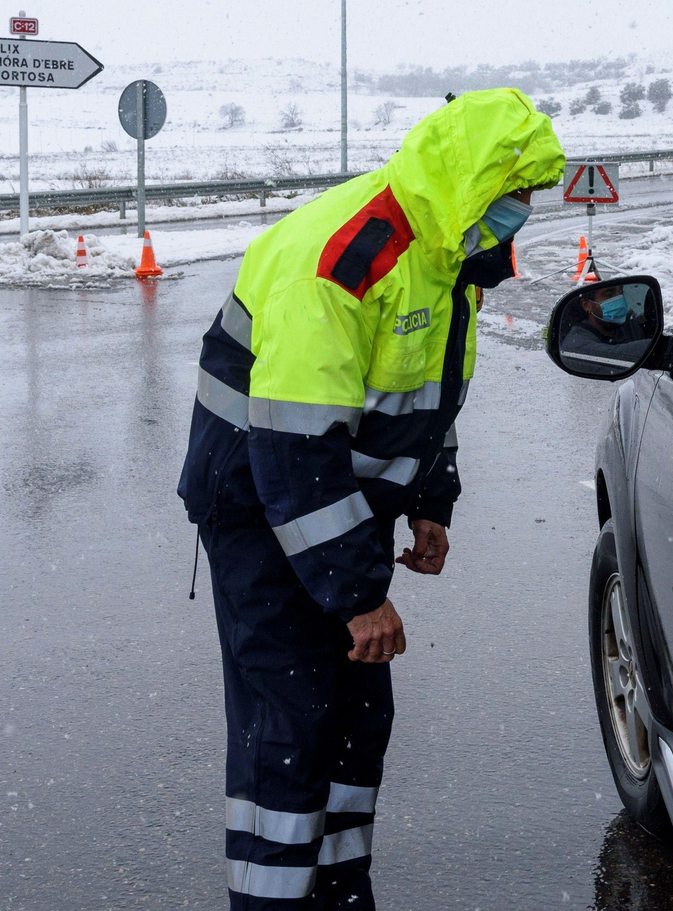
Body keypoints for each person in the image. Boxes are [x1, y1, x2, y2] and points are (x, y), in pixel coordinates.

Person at [177, 88, 564, 909]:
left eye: (531, 197)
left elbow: (426, 398)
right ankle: (273, 900)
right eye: (515, 194)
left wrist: (432, 501)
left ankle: (339, 894)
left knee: (353, 719)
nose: (522, 214)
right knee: (291, 728)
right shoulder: (351, 257)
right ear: (471, 180)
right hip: (263, 503)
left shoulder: (448, 255)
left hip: (332, 505)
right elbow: (291, 446)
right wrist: (359, 595)